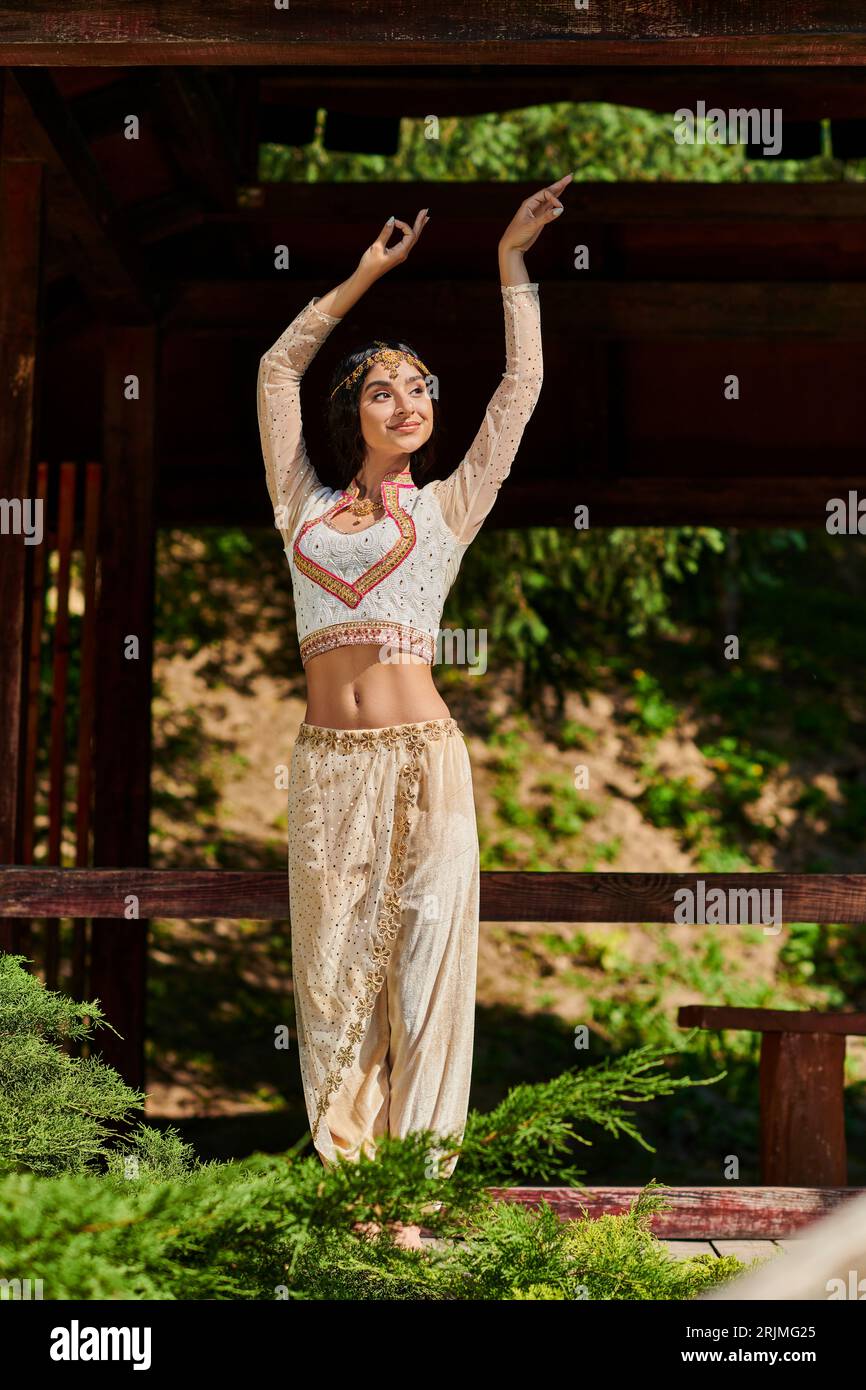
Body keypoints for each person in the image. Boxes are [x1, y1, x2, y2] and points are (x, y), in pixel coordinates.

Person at [257, 176, 572, 1248]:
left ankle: (416, 1206)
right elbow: (276, 368)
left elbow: (521, 386)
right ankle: (354, 1201)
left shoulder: (447, 507)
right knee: (331, 983)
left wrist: (510, 261)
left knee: (426, 975)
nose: (409, 403)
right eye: (384, 391)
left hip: (425, 763)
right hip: (325, 770)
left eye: (421, 389)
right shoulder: (299, 505)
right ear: (351, 412)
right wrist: (365, 275)